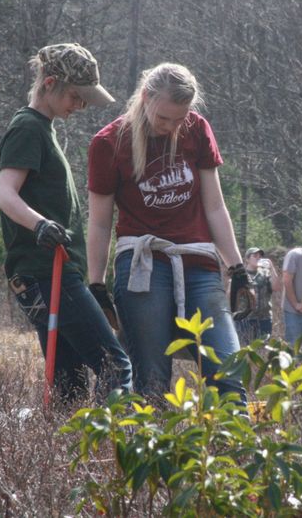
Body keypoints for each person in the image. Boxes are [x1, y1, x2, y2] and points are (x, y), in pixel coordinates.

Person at [86, 62, 251, 403]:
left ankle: (233, 453)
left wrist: (237, 268)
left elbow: (216, 207)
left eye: (180, 118)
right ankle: (154, 454)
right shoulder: (108, 144)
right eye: (164, 118)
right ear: (145, 98)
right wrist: (97, 284)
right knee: (152, 382)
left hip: (199, 263)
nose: (172, 127)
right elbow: (100, 223)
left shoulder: (197, 129)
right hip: (143, 265)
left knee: (228, 373)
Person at [0, 43, 132, 402]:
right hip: (46, 271)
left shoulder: (44, 127)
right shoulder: (27, 128)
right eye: (76, 96)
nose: (81, 106)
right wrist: (40, 225)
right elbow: (5, 194)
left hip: (51, 272)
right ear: (49, 83)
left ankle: (63, 455)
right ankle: (119, 451)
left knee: (69, 383)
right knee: (115, 366)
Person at [235, 247, 282, 346]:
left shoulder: (266, 274)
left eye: (260, 256)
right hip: (245, 320)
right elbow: (230, 296)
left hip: (264, 320)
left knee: (263, 351)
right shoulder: (240, 275)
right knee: (245, 351)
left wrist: (271, 267)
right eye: (255, 256)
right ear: (247, 259)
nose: (258, 258)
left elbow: (277, 287)